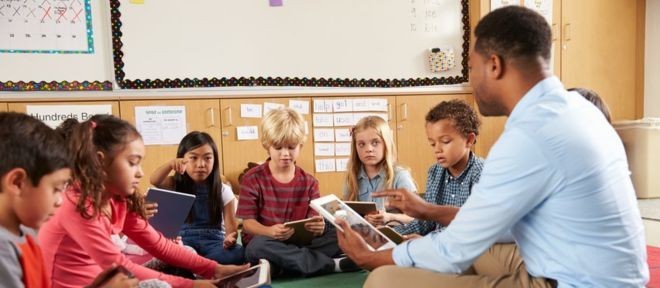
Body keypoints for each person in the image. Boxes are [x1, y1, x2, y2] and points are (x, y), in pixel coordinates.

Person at [336, 6, 648, 287]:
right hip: (587, 269)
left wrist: (372, 257)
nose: (471, 80)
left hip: (572, 282)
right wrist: (430, 212)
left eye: (471, 68)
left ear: (494, 65)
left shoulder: (528, 137)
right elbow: (496, 226)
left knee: (384, 280)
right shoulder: (578, 111)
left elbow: (454, 250)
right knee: (468, 249)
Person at [38, 115, 248, 288]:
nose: (140, 172)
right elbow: (119, 265)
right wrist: (191, 285)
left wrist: (213, 268)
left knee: (181, 260)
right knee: (160, 285)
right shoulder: (76, 205)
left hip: (109, 280)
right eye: (132, 163)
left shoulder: (119, 200)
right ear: (100, 161)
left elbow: (159, 245)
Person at [0, 112, 137, 288]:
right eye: (56, 189)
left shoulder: (26, 236)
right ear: (17, 183)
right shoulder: (3, 249)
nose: (59, 201)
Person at [237, 107, 357, 277]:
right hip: (266, 241)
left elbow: (312, 222)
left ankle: (282, 266)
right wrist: (269, 231)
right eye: (278, 148)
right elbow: (248, 224)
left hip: (299, 245)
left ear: (300, 145)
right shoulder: (252, 178)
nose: (285, 154)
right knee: (257, 247)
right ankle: (330, 265)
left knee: (342, 232)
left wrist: (318, 227)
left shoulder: (309, 182)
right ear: (267, 146)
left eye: (291, 147)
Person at [390, 99, 484, 239]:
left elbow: (471, 227)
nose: (437, 149)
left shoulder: (481, 173)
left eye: (445, 141)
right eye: (432, 144)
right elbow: (425, 222)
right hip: (437, 246)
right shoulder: (435, 172)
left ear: (469, 140)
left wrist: (428, 242)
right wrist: (390, 233)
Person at [150, 131, 244, 265]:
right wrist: (170, 165)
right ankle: (203, 266)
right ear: (181, 159)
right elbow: (155, 180)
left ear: (214, 160)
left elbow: (232, 230)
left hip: (214, 243)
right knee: (174, 252)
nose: (201, 164)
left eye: (207, 158)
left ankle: (196, 265)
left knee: (239, 253)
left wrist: (231, 239)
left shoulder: (223, 190)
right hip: (184, 241)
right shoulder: (175, 184)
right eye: (193, 158)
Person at [343, 115, 417, 226]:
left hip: (394, 235)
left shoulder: (400, 176)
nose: (368, 149)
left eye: (375, 142)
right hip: (364, 234)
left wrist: (390, 217)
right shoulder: (351, 177)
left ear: (386, 144)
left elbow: (416, 219)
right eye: (361, 144)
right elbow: (348, 214)